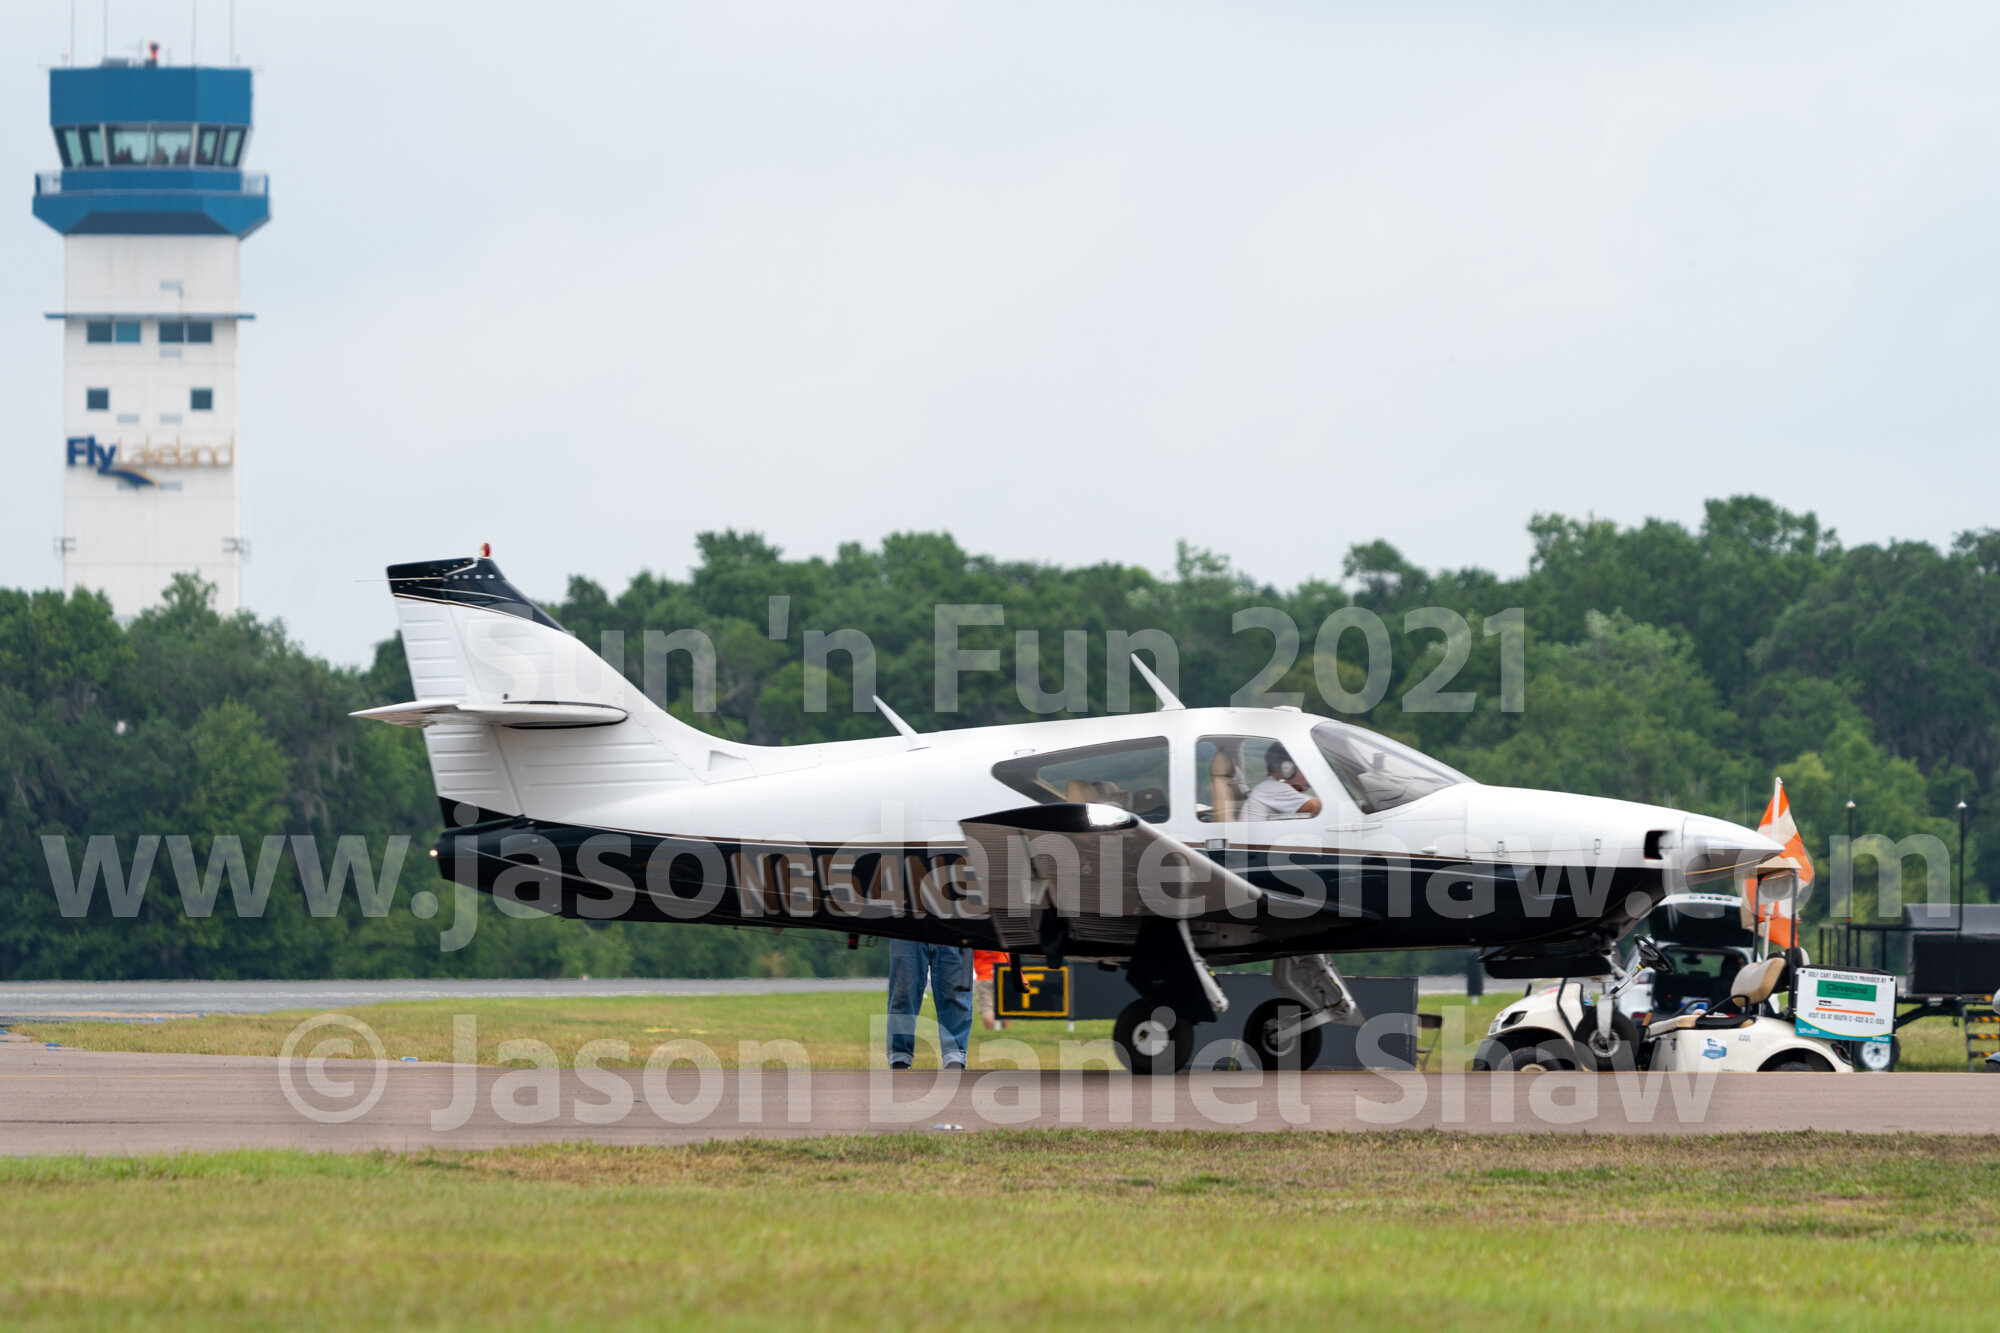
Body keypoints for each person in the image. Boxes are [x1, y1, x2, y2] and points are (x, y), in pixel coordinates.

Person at [886, 939, 974, 1069]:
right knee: (903, 992)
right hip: (906, 924)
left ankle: (955, 1057)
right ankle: (899, 1057)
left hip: (953, 924)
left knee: (955, 993)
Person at [1241, 742, 1322, 821]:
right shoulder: (1273, 789)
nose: (1309, 775)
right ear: (1288, 768)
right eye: (1305, 769)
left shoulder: (1269, 787)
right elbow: (1321, 807)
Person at [973, 950, 1010, 1030]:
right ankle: (1006, 1033)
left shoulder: (976, 940)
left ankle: (991, 1034)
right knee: (1004, 1007)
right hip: (1002, 974)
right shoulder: (1000, 939)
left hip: (984, 976)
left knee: (987, 1008)